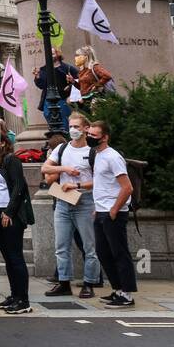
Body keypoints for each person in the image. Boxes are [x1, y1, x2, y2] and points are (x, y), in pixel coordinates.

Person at [41, 110, 101, 298]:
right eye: (71, 126)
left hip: (85, 200)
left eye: (76, 126)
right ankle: (64, 282)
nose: (73, 130)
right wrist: (65, 168)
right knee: (61, 246)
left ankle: (89, 283)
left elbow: (100, 179)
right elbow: (45, 167)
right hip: (64, 201)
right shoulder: (62, 149)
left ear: (85, 129)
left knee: (89, 247)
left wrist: (78, 184)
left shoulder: (92, 152)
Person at [85, 121, 137, 308]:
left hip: (113, 213)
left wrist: (114, 210)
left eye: (94, 135)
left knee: (119, 253)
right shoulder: (98, 155)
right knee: (103, 252)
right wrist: (98, 208)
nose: (90, 138)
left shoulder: (112, 157)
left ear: (105, 137)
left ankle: (127, 294)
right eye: (88, 134)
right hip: (101, 211)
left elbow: (127, 187)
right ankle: (117, 289)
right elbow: (103, 185)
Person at [0, 130, 34, 315]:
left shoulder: (11, 160)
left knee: (15, 257)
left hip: (10, 214)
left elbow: (18, 187)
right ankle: (15, 295)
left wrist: (9, 211)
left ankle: (23, 299)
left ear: (3, 142)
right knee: (8, 257)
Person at [35, 48, 78, 132]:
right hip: (48, 99)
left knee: (64, 121)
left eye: (53, 54)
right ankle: (56, 137)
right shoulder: (43, 69)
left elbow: (78, 81)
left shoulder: (67, 68)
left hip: (63, 98)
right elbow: (41, 85)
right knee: (48, 116)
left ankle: (65, 139)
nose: (50, 56)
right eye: (49, 54)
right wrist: (37, 78)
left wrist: (71, 87)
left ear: (58, 55)